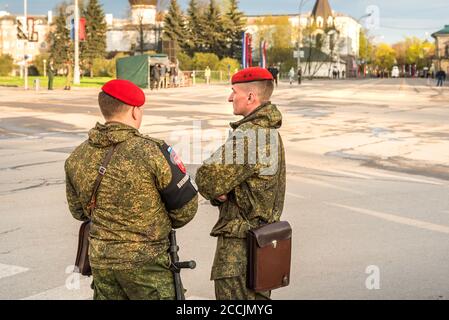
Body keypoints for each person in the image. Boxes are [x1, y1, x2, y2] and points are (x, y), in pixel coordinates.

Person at [65, 79, 198, 300]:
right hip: (148, 265)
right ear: (135, 112)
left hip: (102, 263)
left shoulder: (77, 157)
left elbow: (79, 212)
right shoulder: (153, 151)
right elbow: (186, 209)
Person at [195, 67, 286, 300]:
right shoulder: (269, 131)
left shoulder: (250, 135)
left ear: (250, 97)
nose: (229, 98)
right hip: (261, 246)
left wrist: (218, 190)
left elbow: (207, 178)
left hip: (240, 251)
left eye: (233, 92)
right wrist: (220, 192)